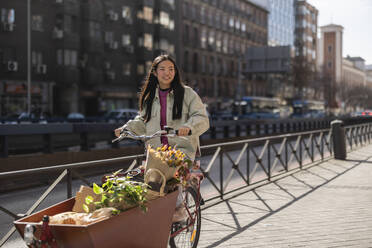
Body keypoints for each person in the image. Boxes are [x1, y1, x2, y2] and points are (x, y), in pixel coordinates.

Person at [114, 54, 209, 161]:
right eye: (162, 69)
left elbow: (201, 117)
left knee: (177, 177)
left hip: (181, 154)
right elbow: (143, 121)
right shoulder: (149, 96)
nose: (167, 73)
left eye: (171, 69)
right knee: (148, 177)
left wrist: (189, 127)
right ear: (155, 72)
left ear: (175, 72)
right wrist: (126, 129)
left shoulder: (187, 93)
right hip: (156, 154)